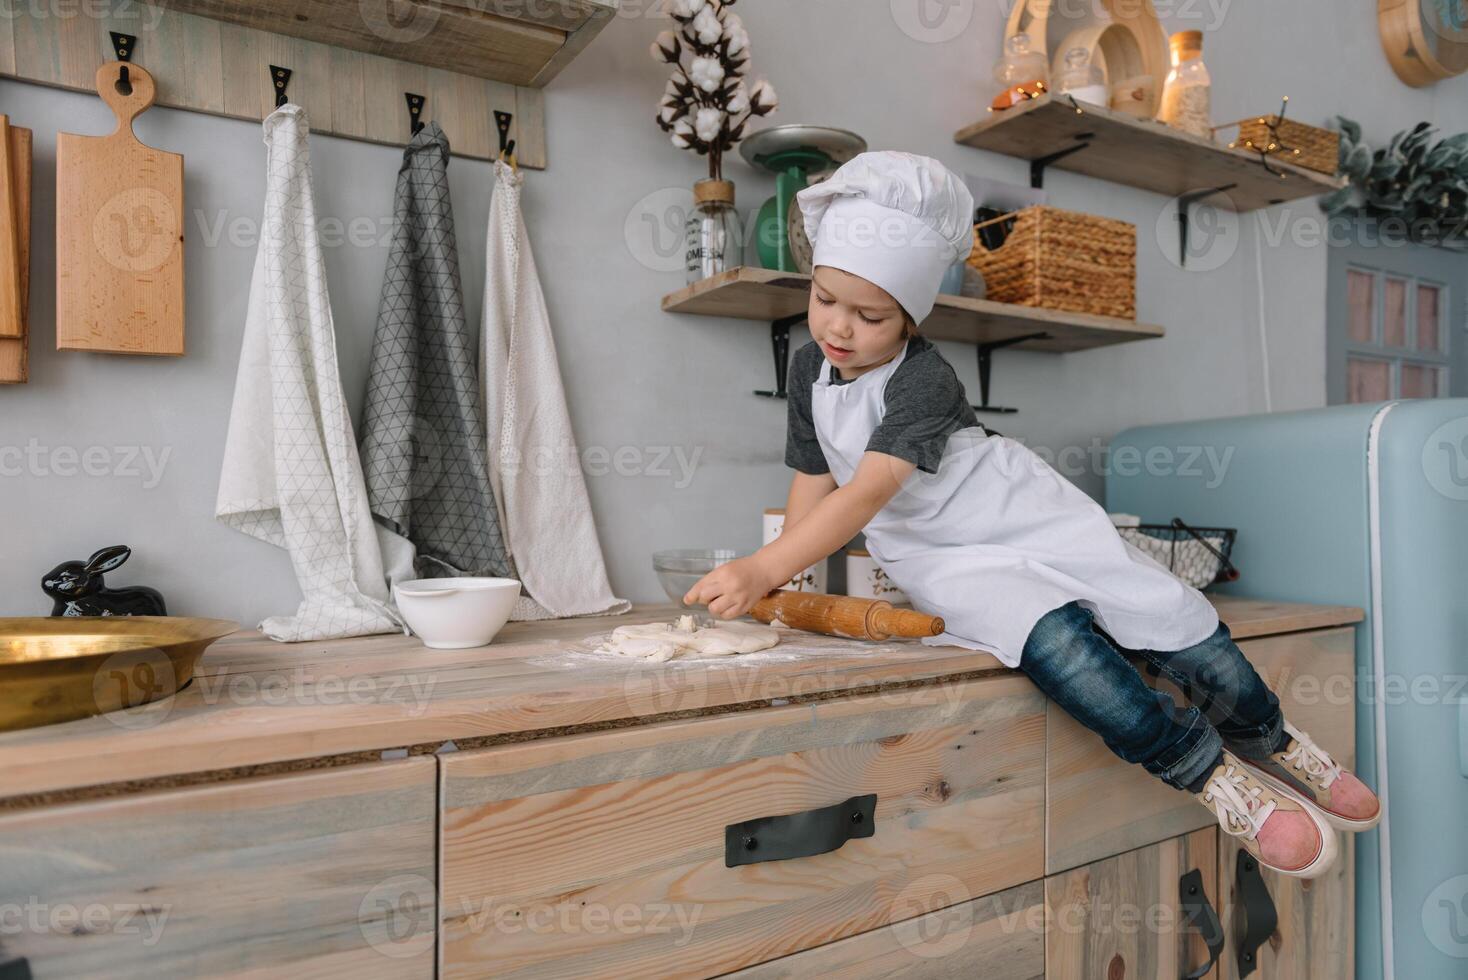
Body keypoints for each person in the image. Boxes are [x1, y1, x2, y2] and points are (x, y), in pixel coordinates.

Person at [683, 150, 1380, 878]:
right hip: (939, 558)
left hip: (1016, 508)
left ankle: (1269, 735)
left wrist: (763, 567)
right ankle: (1211, 775)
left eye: (870, 315)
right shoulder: (807, 371)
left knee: (1162, 612)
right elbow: (815, 477)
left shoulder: (925, 379)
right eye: (825, 299)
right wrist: (785, 590)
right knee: (1064, 651)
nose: (839, 328)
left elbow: (863, 495)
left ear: (912, 315)